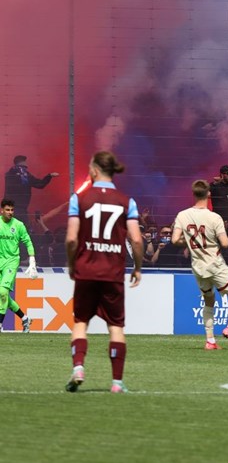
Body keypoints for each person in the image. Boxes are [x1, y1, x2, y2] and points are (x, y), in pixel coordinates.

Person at [64, 151, 144, 394]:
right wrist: (138, 267)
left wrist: (71, 264)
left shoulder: (79, 198)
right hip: (112, 273)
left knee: (80, 322)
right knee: (116, 327)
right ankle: (117, 383)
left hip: (86, 270)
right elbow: (137, 240)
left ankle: (78, 367)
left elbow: (70, 239)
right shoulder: (126, 201)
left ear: (95, 169)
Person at [171, 180, 228, 350]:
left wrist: (191, 240)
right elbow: (226, 243)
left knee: (209, 301)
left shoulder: (182, 215)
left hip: (198, 267)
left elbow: (175, 240)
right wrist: (219, 234)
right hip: (215, 264)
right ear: (209, 194)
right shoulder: (214, 217)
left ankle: (210, 341)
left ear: (193, 193)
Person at [0, 199, 36, 332]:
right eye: (7, 210)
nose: (10, 212)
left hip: (11, 261)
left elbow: (28, 241)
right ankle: (25, 318)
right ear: (2, 210)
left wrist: (32, 259)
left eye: (12, 210)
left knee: (2, 292)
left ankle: (0, 324)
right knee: (4, 297)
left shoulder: (19, 225)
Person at [3, 155, 59, 228]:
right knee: (23, 231)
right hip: (20, 208)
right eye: (25, 162)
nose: (27, 164)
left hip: (10, 208)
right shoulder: (25, 175)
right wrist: (49, 176)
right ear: (22, 163)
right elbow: (40, 184)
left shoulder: (9, 174)